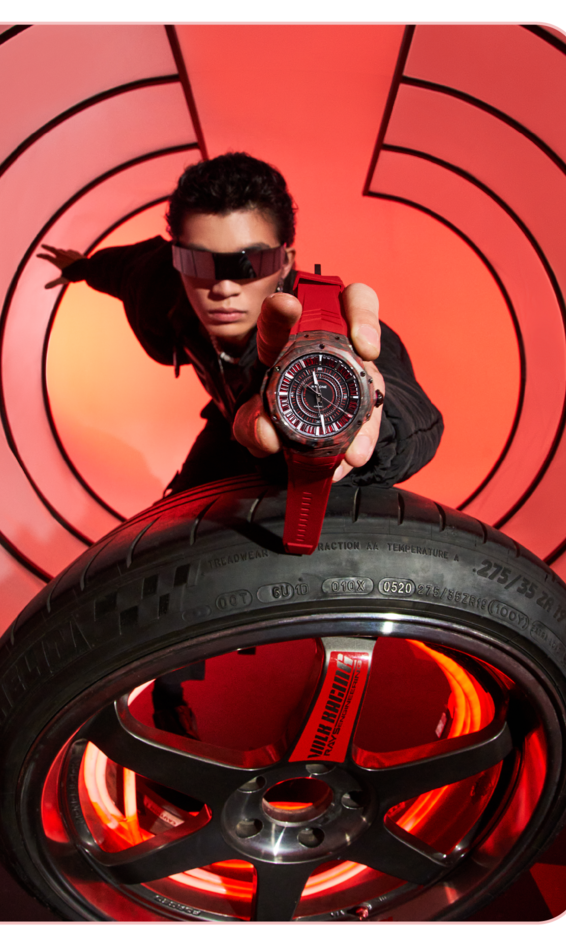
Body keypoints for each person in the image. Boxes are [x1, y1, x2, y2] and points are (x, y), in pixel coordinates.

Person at [39, 152, 443, 737]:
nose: (222, 286)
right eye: (197, 262)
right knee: (164, 545)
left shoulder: (323, 330)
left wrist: (365, 417)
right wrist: (80, 267)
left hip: (296, 449)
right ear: (175, 257)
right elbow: (122, 268)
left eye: (249, 263)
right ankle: (166, 702)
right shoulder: (157, 282)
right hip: (228, 422)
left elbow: (410, 406)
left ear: (287, 262)